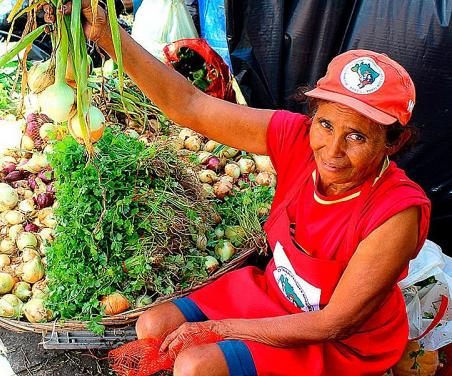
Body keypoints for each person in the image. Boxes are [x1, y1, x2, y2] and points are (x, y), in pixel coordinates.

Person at [46, 2, 431, 375]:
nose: (332, 152)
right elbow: (190, 105)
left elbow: (334, 324)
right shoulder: (295, 139)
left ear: (392, 143)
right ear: (311, 117)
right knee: (153, 324)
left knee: (196, 365)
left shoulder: (396, 213)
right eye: (326, 125)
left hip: (336, 342)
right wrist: (107, 34)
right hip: (277, 296)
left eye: (357, 137)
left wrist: (220, 330)